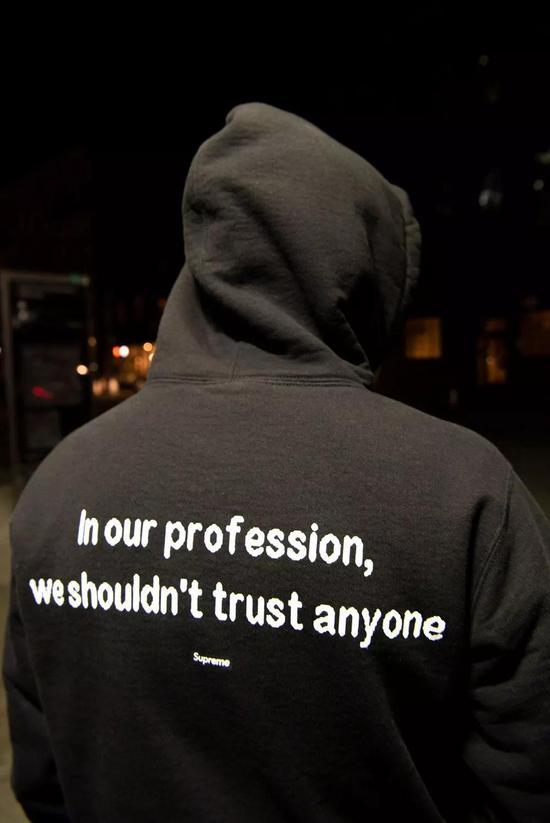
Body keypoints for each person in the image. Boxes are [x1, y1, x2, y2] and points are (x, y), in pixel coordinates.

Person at [3, 102, 549, 822]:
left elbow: (44, 776)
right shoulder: (465, 494)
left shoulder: (58, 486)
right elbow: (528, 779)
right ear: (365, 275)